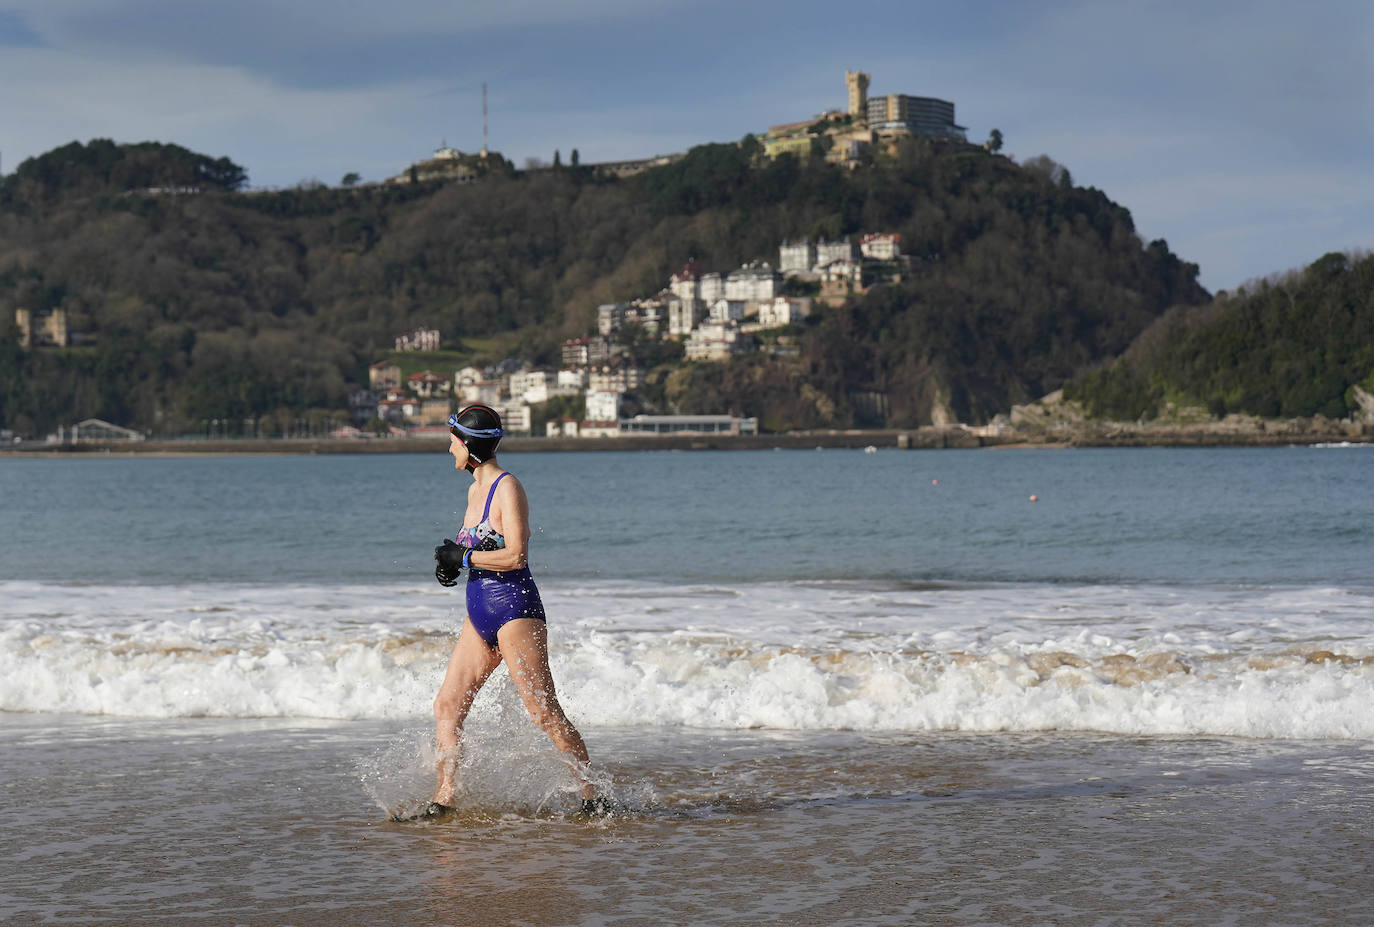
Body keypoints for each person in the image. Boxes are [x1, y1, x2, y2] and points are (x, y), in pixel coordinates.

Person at [405, 404, 599, 820]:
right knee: (447, 705)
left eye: (453, 440)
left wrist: (464, 557)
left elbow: (515, 555)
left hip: (514, 609)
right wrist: (450, 562)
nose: (449, 448)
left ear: (469, 445)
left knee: (543, 712)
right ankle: (444, 800)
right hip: (479, 612)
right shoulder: (473, 491)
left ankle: (594, 796)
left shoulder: (507, 487)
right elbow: (477, 550)